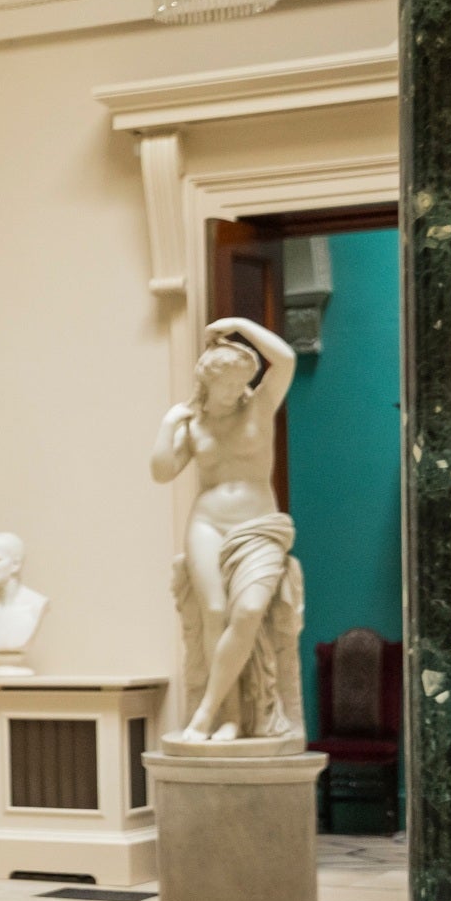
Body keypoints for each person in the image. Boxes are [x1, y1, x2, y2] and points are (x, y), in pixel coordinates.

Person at [152, 317, 303, 743]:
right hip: (207, 524)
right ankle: (229, 718)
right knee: (213, 613)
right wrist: (168, 425)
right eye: (229, 382)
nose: (238, 389)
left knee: (249, 610)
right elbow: (162, 472)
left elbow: (286, 358)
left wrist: (238, 326)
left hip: (259, 525)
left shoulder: (259, 405)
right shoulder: (195, 424)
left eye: (243, 380)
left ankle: (204, 712)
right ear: (209, 381)